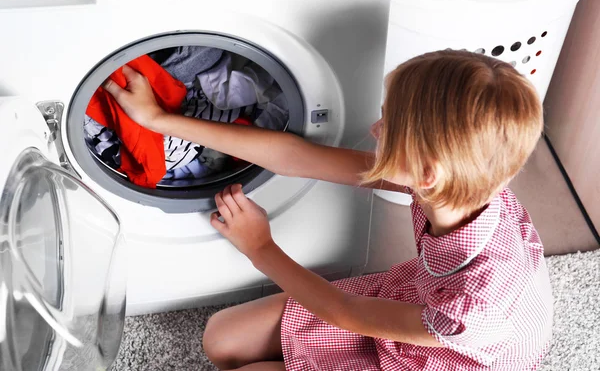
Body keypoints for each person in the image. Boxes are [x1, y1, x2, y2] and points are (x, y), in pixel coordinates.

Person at [102, 50, 553, 371]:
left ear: (427, 173)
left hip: (437, 355)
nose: (375, 129)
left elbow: (346, 311)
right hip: (415, 309)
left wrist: (259, 247)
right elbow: (297, 157)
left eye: (387, 124)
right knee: (222, 340)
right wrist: (161, 122)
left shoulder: (472, 304)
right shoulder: (465, 182)